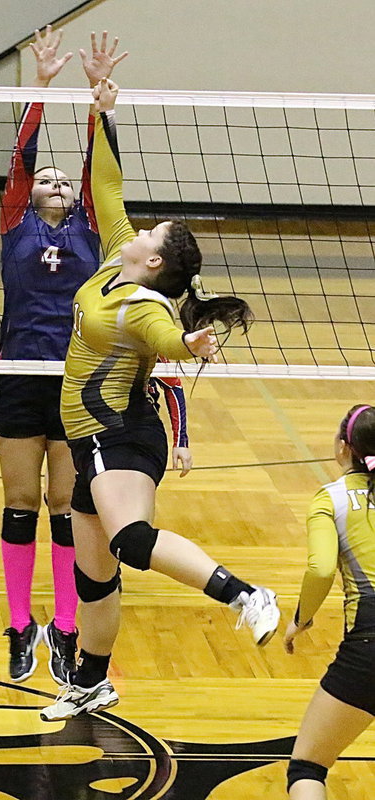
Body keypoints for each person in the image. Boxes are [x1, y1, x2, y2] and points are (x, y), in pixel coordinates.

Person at [40, 78, 280, 722]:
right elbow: (107, 191)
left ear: (155, 263)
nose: (139, 229)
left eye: (151, 232)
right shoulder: (119, 258)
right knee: (95, 578)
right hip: (90, 439)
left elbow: (161, 336)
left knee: (131, 542)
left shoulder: (141, 303)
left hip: (117, 434)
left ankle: (245, 594)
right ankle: (91, 681)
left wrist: (186, 342)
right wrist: (102, 115)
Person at [0, 27, 128, 685]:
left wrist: (97, 107)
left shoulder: (91, 230)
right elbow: (22, 157)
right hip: (19, 376)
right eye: (42, 178)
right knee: (20, 503)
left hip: (75, 382)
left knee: (67, 509)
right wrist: (40, 88)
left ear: (74, 197)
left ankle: (68, 628)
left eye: (61, 181)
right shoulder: (14, 222)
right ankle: (21, 625)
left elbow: (96, 172)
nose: (52, 182)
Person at [283, 404, 375, 799]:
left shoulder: (331, 499)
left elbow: (320, 570)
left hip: (369, 644)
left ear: (343, 447)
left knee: (308, 766)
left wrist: (301, 619)